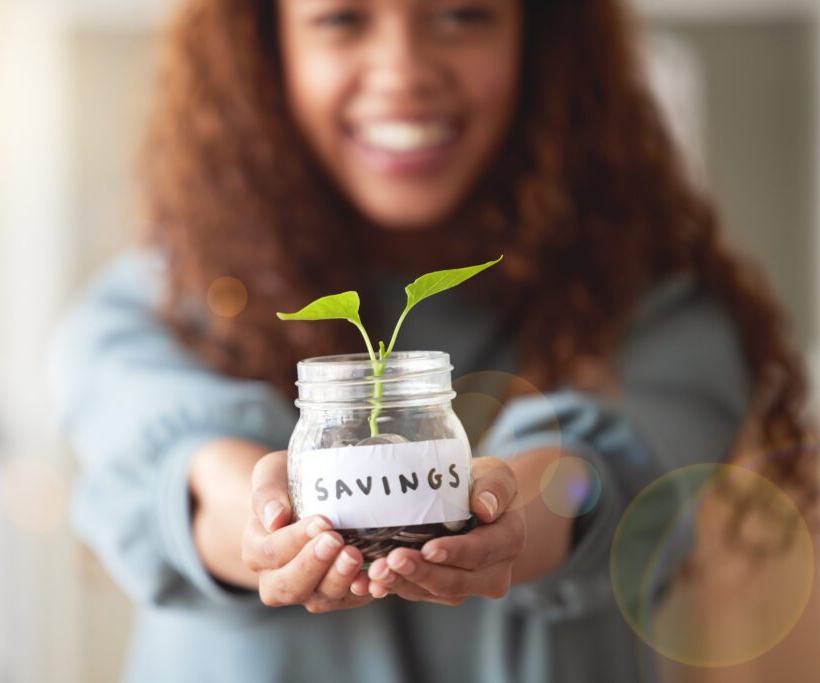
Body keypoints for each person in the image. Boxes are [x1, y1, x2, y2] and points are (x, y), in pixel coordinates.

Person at [47, 0, 813, 681]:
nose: (404, 72)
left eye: (462, 15)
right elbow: (178, 465)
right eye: (342, 19)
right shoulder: (155, 310)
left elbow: (617, 474)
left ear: (541, 36)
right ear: (265, 47)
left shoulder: (658, 310)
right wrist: (260, 521)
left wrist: (511, 518)